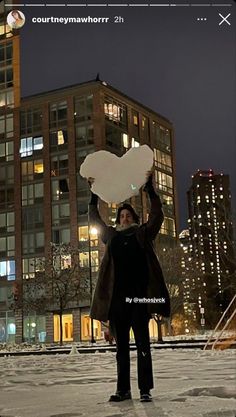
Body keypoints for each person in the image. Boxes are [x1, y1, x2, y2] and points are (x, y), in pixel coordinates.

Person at [88, 172, 170, 402]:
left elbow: (157, 217)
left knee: (143, 346)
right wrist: (94, 196)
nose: (124, 218)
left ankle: (145, 390)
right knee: (121, 349)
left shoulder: (142, 234)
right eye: (121, 216)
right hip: (117, 304)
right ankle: (123, 390)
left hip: (139, 301)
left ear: (133, 218)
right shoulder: (111, 236)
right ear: (118, 219)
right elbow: (94, 220)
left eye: (128, 215)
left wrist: (151, 191)